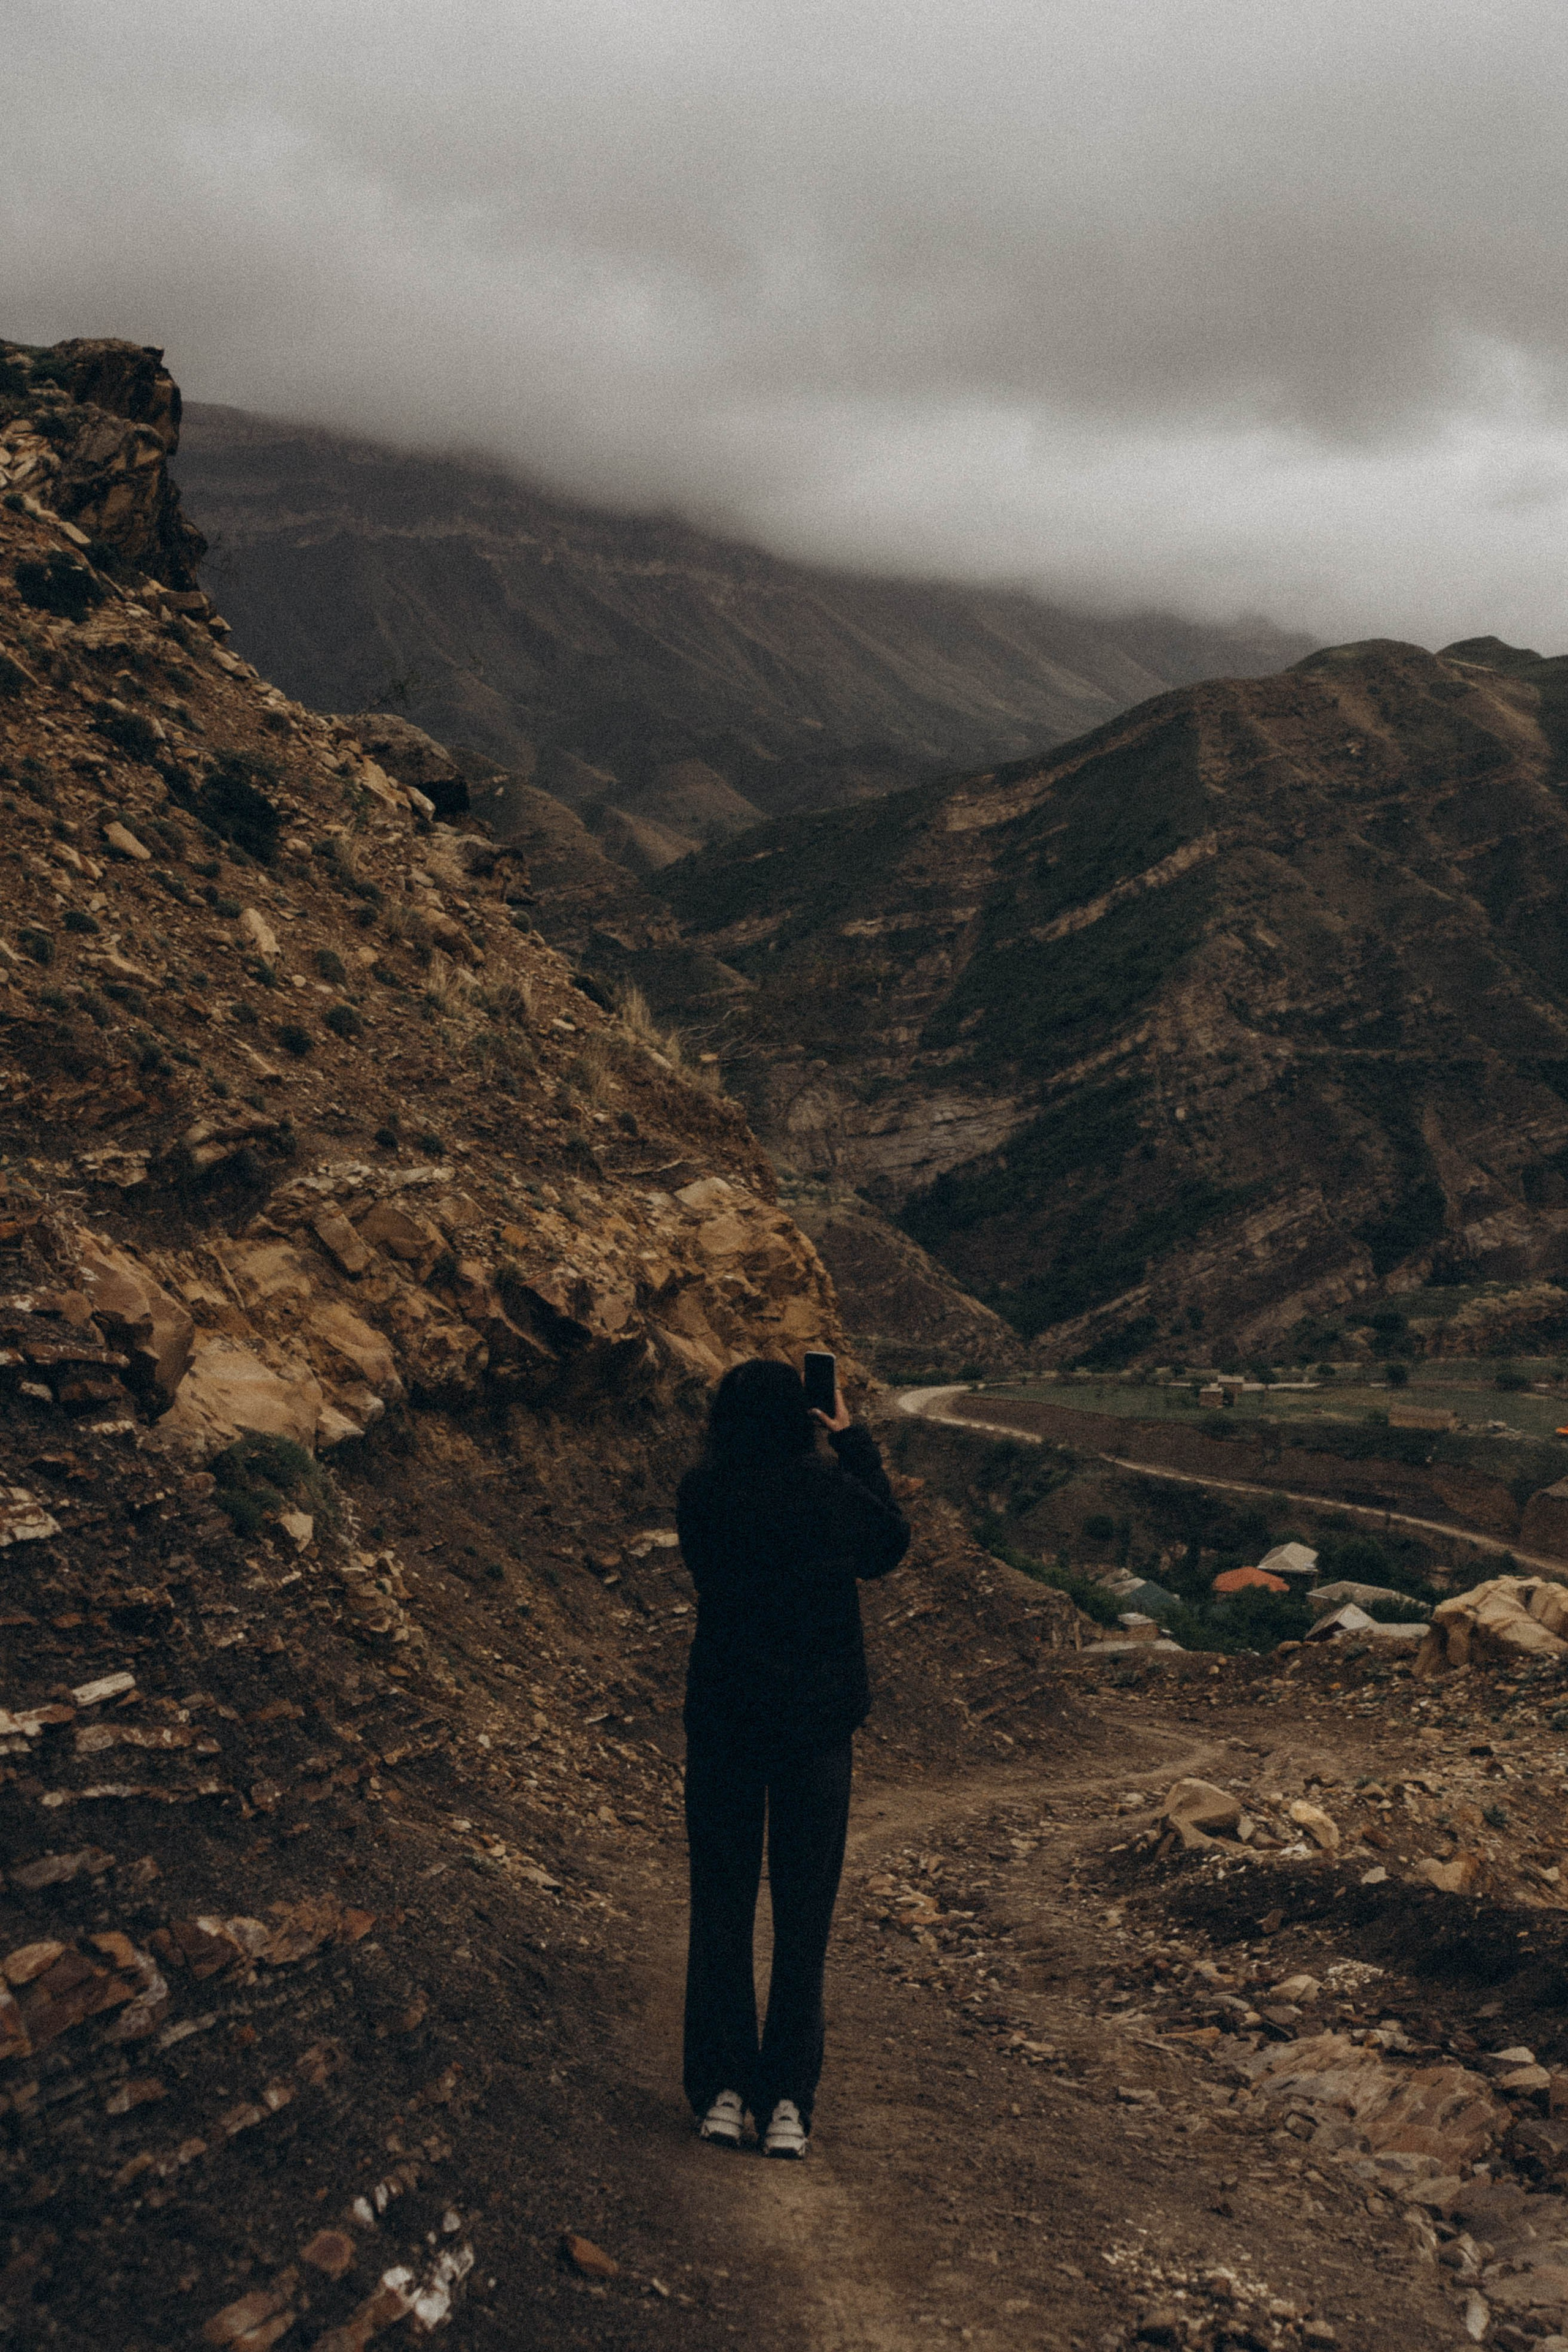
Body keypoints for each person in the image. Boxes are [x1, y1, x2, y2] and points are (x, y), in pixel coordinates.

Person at [676, 1355, 910, 2158]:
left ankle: (721, 2093)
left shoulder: (700, 1495)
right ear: (801, 1416)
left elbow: (704, 1569)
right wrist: (853, 1442)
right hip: (815, 1729)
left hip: (724, 1722)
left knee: (722, 1907)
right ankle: (787, 2107)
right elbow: (889, 1545)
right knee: (804, 1914)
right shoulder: (826, 1493)